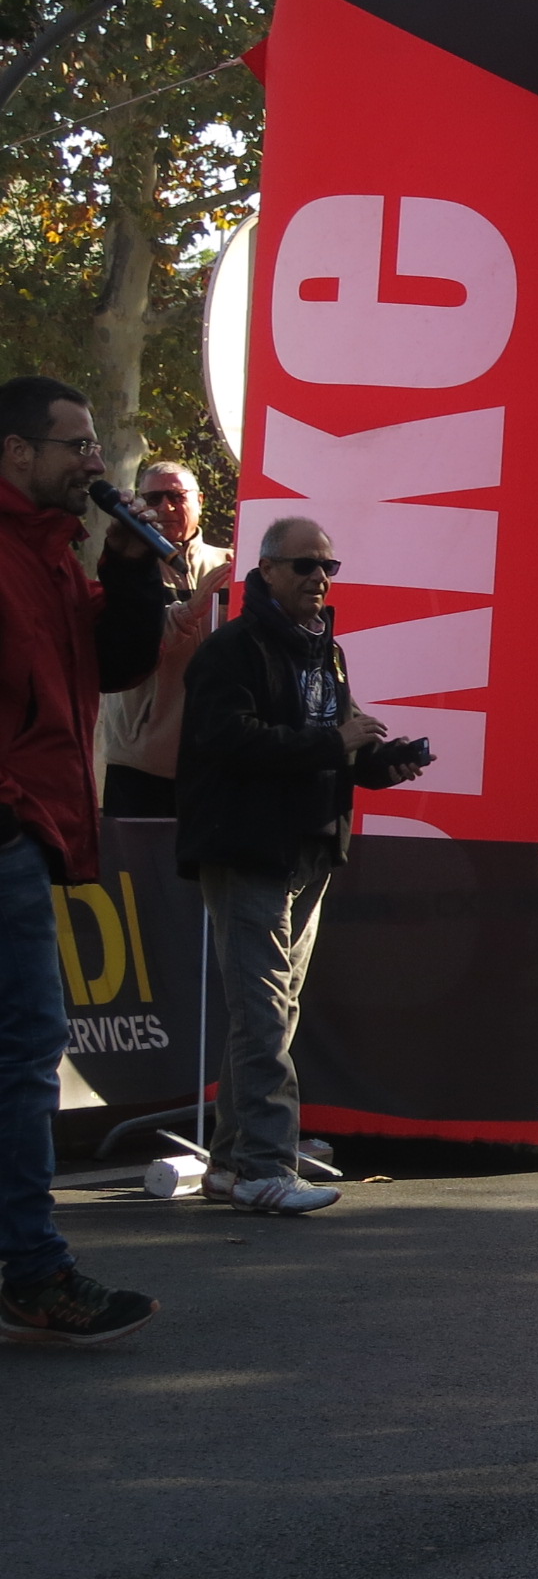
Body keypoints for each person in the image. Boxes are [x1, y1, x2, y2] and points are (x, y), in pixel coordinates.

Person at [177, 516, 430, 1216]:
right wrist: (333, 742)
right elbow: (229, 742)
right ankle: (262, 1166)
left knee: (274, 1012)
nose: (320, 579)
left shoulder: (328, 652)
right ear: (264, 572)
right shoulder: (231, 649)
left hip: (309, 845)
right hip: (248, 847)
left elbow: (335, 746)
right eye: (304, 566)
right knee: (260, 1013)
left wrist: (382, 761)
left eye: (329, 567)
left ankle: (234, 1163)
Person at [0, 377, 167, 1343]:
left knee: (18, 1056)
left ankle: (28, 1262)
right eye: (76, 445)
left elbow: (114, 664)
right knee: (26, 1054)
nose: (95, 462)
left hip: (38, 831)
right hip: (11, 831)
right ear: (18, 452)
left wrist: (138, 567)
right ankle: (33, 1266)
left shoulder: (55, 557)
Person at [97, 459, 233, 819]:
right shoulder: (127, 566)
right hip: (140, 766)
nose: (165, 507)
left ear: (200, 500)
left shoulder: (232, 566)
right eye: (153, 498)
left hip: (215, 766)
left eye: (176, 496)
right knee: (133, 875)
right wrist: (192, 610)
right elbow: (126, 642)